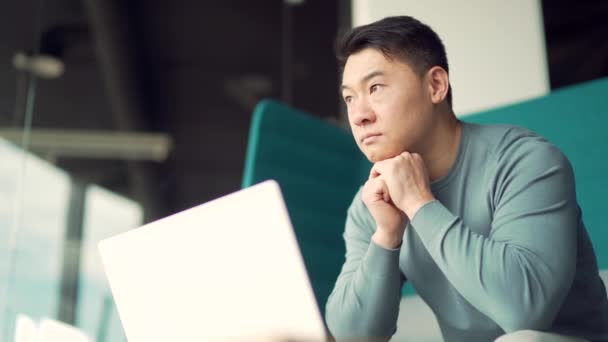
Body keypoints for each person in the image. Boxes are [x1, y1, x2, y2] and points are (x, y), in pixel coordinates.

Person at [325, 16, 608, 342]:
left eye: (375, 88)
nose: (359, 115)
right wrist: (388, 235)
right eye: (349, 98)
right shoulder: (371, 205)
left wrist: (419, 204)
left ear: (435, 86)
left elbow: (524, 312)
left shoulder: (525, 161)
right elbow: (353, 337)